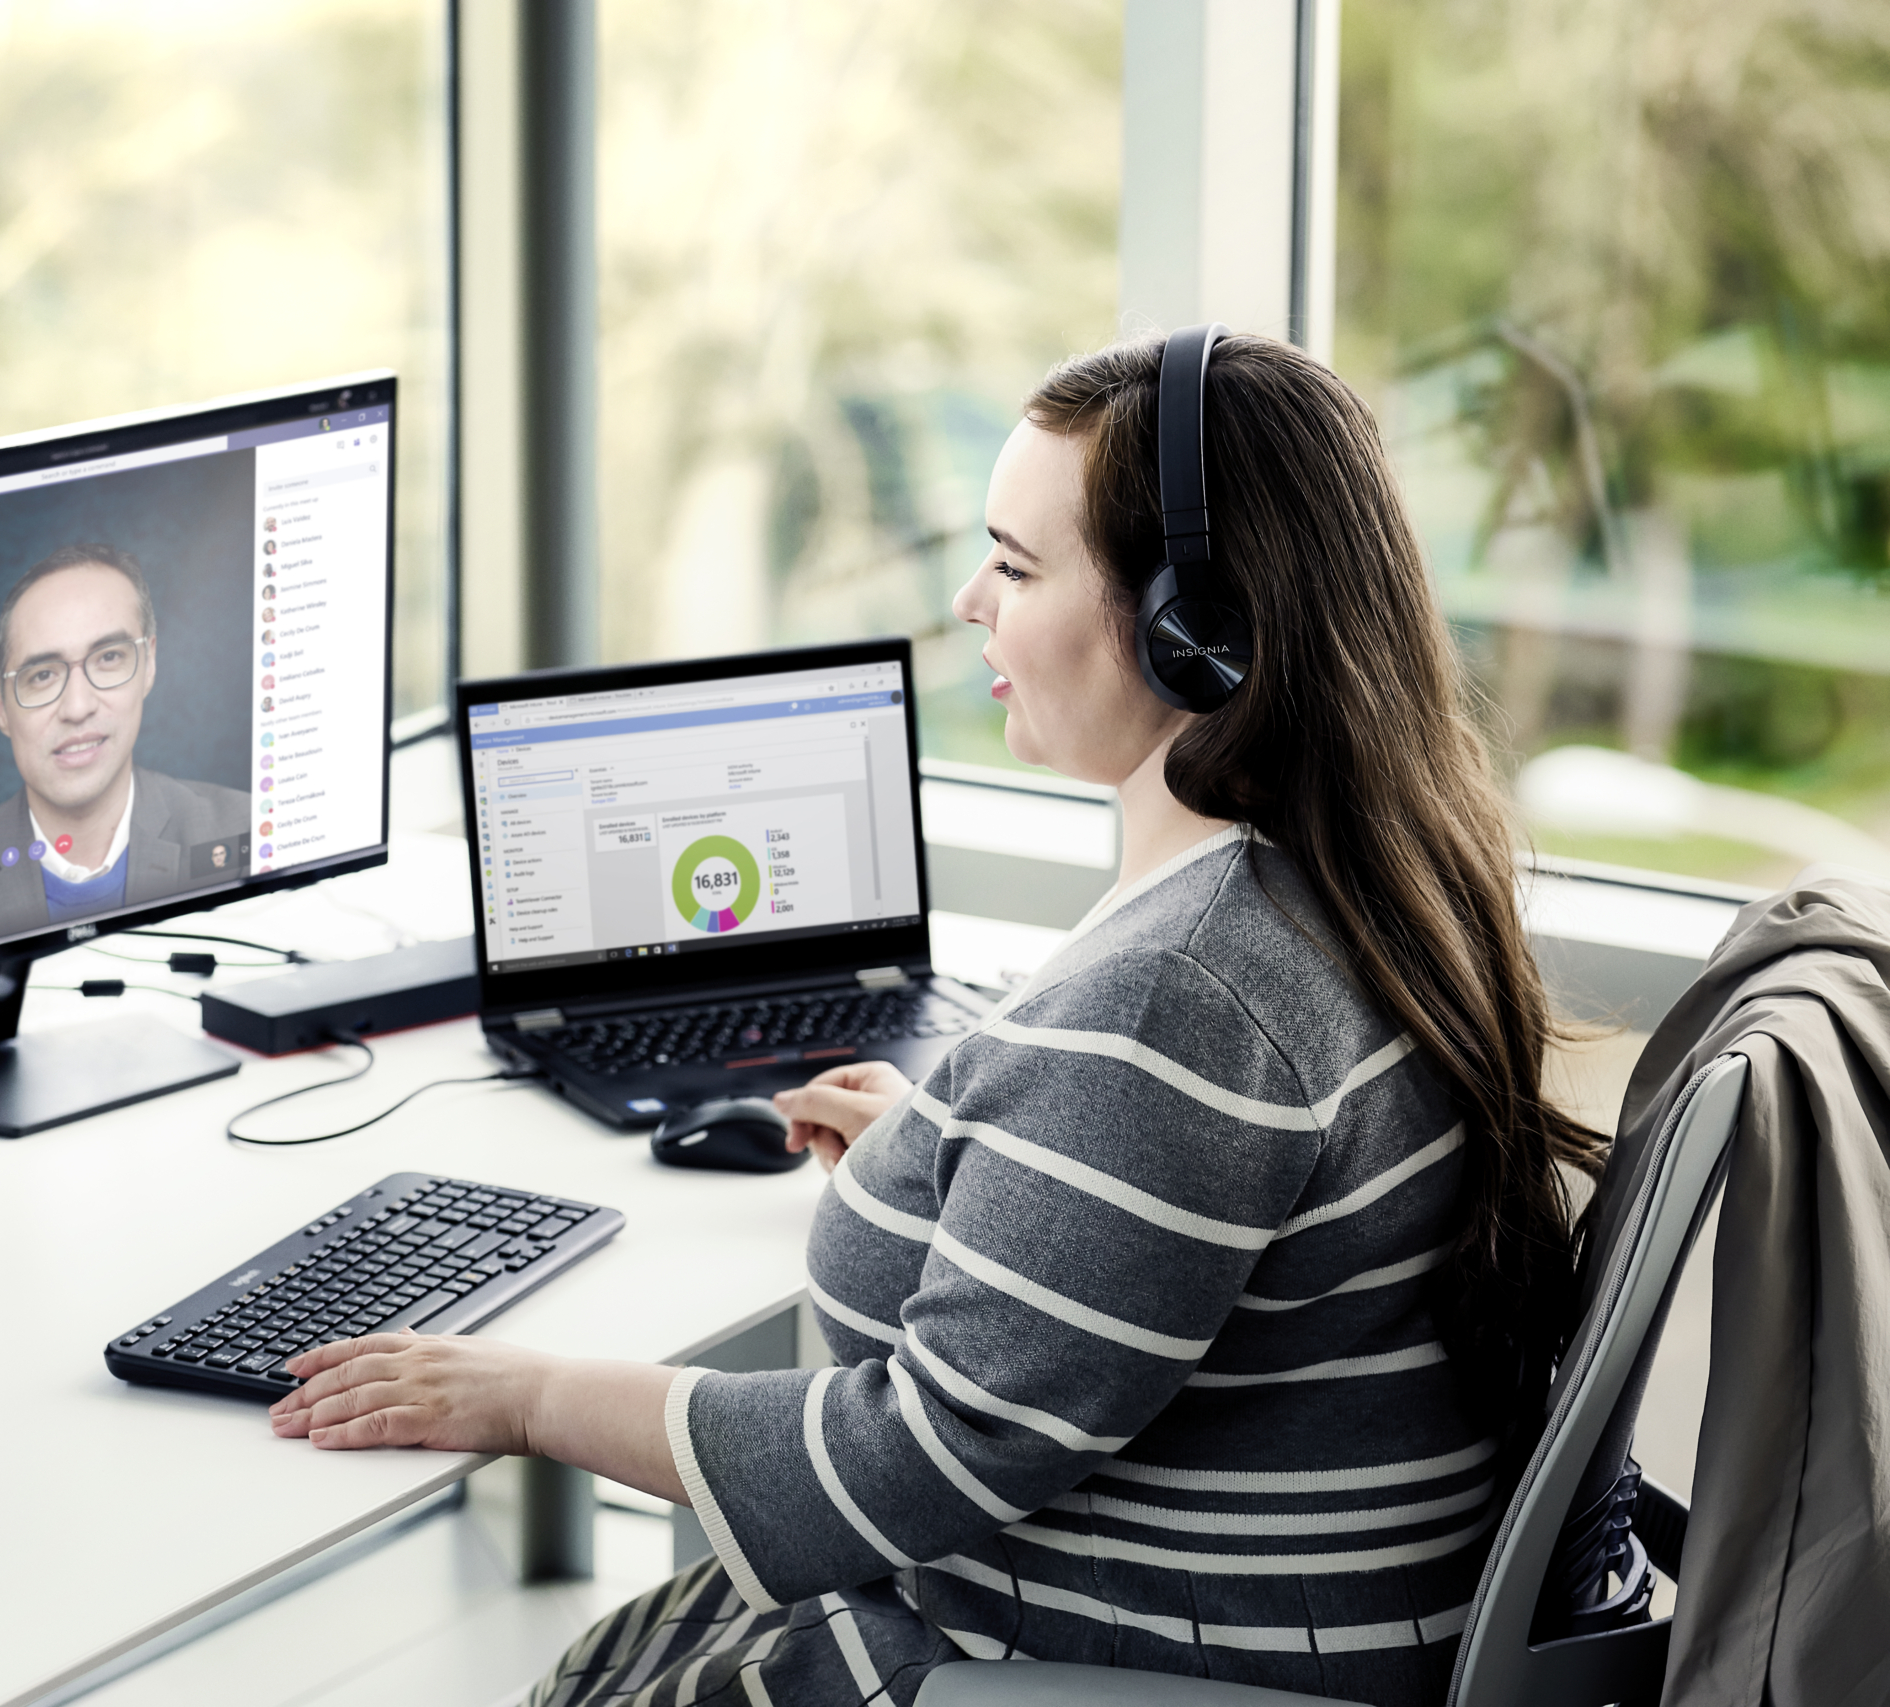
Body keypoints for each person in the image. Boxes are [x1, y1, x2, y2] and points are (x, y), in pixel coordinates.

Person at [264, 334, 1605, 1706]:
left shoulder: (1178, 996)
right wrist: (979, 1158)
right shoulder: (1356, 878)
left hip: (1130, 1652)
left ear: (1190, 627)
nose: (969, 600)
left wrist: (528, 1396)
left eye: (1016, 567)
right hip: (1272, 1610)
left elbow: (913, 1462)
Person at [0, 544, 250, 965]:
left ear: (149, 664)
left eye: (109, 657)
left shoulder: (251, 835)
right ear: (1, 706)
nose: (77, 707)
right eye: (42, 676)